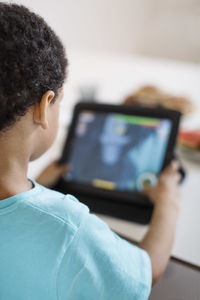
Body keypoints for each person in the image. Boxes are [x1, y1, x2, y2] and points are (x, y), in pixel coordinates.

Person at [0, 3, 181, 300]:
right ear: (44, 107)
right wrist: (169, 204)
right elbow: (145, 272)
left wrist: (39, 185)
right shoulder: (68, 230)